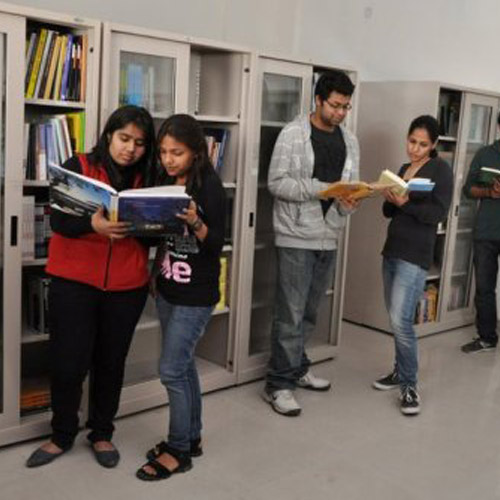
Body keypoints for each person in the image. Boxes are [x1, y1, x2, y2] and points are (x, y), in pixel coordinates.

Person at [26, 105, 156, 468]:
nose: (130, 149)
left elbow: (154, 238)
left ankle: (101, 433)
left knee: (111, 364)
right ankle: (61, 435)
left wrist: (148, 224)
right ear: (109, 135)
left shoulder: (148, 179)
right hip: (74, 282)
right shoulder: (79, 166)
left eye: (139, 143)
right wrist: (93, 226)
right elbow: (59, 222)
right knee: (68, 363)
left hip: (127, 286)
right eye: (124, 138)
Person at [262, 70, 360, 417]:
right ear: (318, 100)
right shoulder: (293, 134)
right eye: (335, 105)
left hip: (329, 234)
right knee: (289, 313)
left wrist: (350, 200)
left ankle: (298, 368)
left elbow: (349, 186)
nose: (340, 113)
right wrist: (321, 189)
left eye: (345, 107)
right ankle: (278, 384)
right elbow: (276, 183)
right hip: (296, 235)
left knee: (309, 312)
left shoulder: (350, 141)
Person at [136, 114, 226, 481]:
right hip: (168, 287)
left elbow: (216, 244)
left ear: (196, 152)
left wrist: (195, 222)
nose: (169, 160)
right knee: (184, 366)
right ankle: (192, 438)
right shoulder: (165, 182)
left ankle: (178, 451)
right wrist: (155, 271)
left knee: (171, 369)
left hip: (196, 294)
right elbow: (162, 237)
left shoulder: (210, 187)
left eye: (177, 153)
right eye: (163, 152)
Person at [372, 115, 453, 415]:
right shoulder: (404, 168)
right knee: (394, 319)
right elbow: (388, 212)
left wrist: (406, 203)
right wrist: (390, 196)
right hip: (392, 250)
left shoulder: (440, 170)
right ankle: (398, 372)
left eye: (422, 144)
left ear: (433, 145)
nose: (415, 149)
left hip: (415, 254)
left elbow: (437, 214)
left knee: (401, 321)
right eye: (411, 141)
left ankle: (409, 385)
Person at [460, 113, 500, 353]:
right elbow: (468, 189)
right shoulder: (484, 154)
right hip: (486, 232)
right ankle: (487, 337)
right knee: (484, 288)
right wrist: (489, 193)